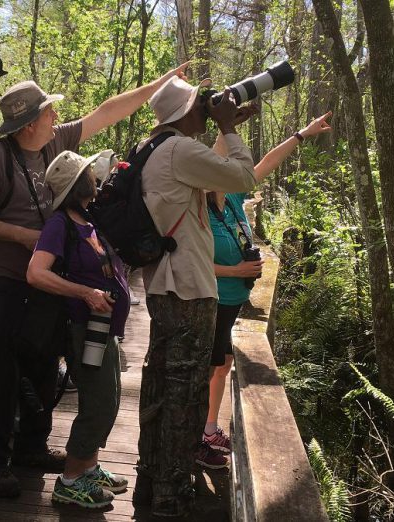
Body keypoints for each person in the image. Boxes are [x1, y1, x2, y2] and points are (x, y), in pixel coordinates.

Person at [0, 63, 188, 498]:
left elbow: (106, 113)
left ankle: (32, 446)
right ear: (29, 122)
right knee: (1, 370)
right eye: (49, 111)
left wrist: (159, 84)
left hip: (47, 281)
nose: (57, 117)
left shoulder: (57, 140)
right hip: (3, 278)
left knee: (44, 362)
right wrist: (29, 238)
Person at [132, 76, 259, 518]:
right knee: (186, 390)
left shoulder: (150, 149)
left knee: (160, 381)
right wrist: (228, 129)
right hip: (188, 287)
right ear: (186, 111)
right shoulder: (181, 151)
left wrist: (224, 126)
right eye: (200, 104)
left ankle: (149, 480)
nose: (205, 109)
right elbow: (244, 175)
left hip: (162, 285)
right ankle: (171, 490)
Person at [201, 111, 333, 456]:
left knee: (223, 363)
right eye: (222, 165)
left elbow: (267, 163)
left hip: (232, 301)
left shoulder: (230, 197)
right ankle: (202, 431)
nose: (231, 170)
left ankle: (208, 427)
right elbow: (191, 264)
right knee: (212, 367)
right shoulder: (197, 209)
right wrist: (236, 272)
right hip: (210, 300)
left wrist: (302, 134)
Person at [27, 150, 130, 508]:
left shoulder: (87, 219)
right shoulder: (60, 224)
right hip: (82, 328)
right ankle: (69, 479)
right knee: (97, 404)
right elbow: (36, 272)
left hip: (103, 329)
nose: (93, 174)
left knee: (109, 399)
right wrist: (85, 293)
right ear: (77, 184)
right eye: (88, 171)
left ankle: (88, 468)